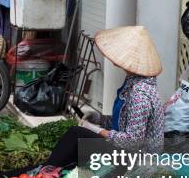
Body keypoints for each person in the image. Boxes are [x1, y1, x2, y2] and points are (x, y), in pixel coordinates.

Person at [45, 26, 165, 168]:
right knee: (75, 146)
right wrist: (100, 119)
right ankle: (52, 170)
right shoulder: (135, 83)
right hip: (127, 153)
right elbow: (124, 121)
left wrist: (97, 130)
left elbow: (133, 141)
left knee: (76, 133)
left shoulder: (140, 95)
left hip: (137, 161)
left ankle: (44, 171)